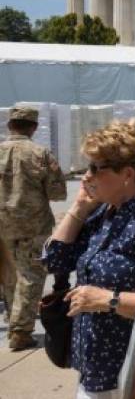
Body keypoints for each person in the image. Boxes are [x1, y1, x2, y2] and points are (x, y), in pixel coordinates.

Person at [42, 119, 135, 397]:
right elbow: (55, 261)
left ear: (126, 174)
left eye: (95, 168)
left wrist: (106, 300)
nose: (85, 177)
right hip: (94, 370)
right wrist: (78, 209)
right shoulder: (104, 213)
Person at [0, 106, 67, 351]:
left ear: (10, 125)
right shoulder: (40, 154)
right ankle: (20, 331)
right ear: (34, 127)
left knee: (8, 274)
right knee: (30, 274)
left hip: (1, 224)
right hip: (33, 224)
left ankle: (14, 320)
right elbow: (58, 192)